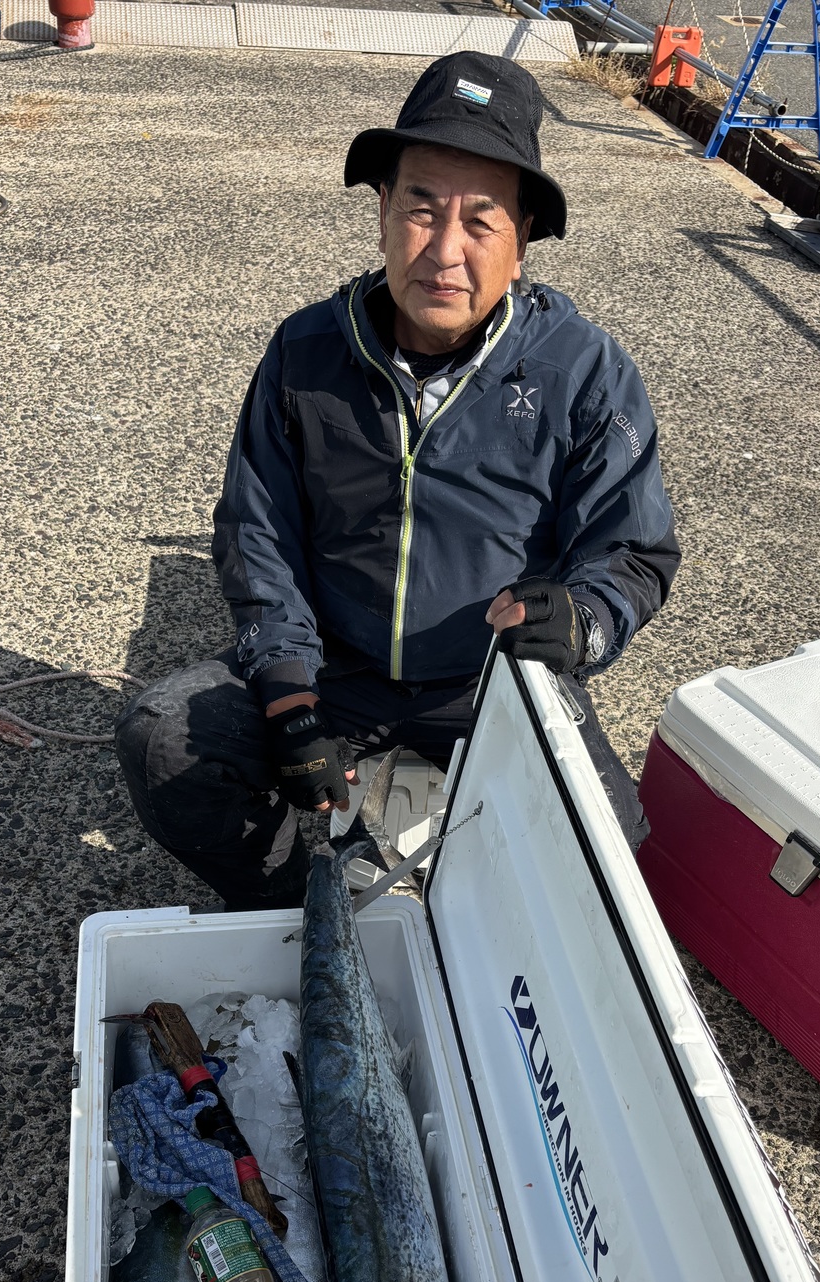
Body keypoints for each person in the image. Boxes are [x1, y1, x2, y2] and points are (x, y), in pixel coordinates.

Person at [117, 51, 680, 909]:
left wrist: (584, 619)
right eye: (421, 207)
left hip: (487, 682)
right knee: (164, 742)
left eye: (481, 221)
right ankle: (299, 912)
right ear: (381, 211)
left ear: (523, 242)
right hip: (335, 667)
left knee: (608, 857)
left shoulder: (585, 371)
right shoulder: (304, 353)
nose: (444, 250)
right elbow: (259, 534)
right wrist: (288, 690)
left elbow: (633, 550)